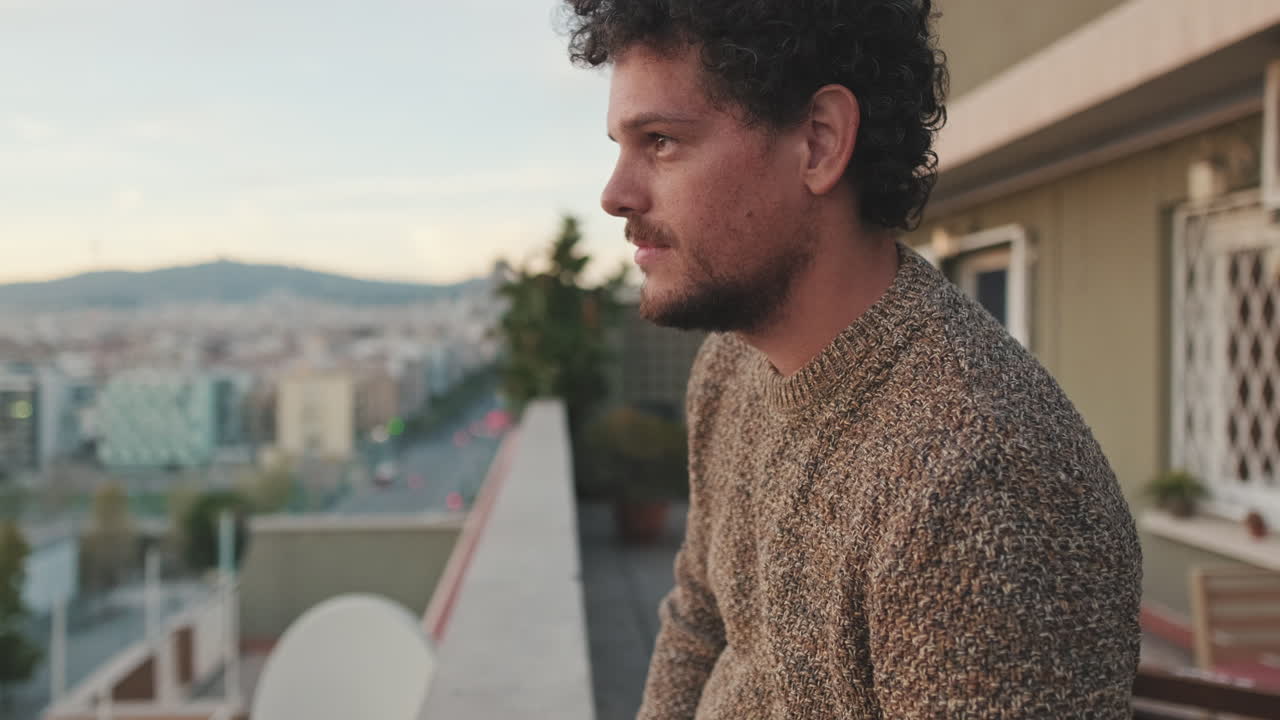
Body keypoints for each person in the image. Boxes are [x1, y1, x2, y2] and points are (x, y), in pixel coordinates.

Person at [563, 1, 1143, 717]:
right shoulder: (730, 366)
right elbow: (700, 616)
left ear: (818, 143)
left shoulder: (977, 488)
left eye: (660, 141)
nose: (616, 194)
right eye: (622, 145)